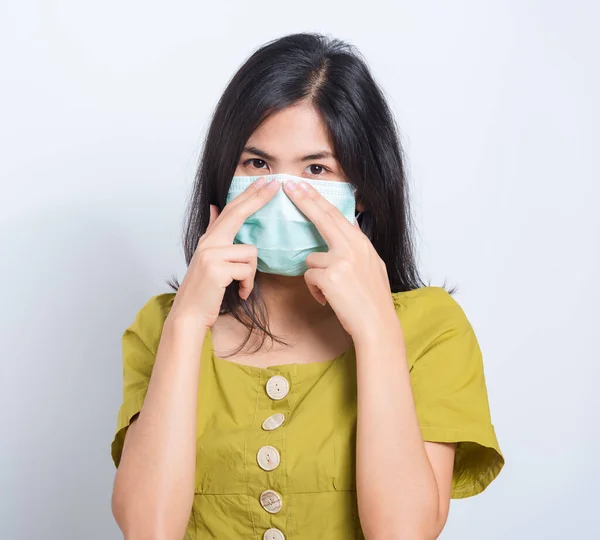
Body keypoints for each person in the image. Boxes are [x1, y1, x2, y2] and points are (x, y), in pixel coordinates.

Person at [110, 32, 505, 540]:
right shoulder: (161, 325)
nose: (281, 194)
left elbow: (405, 533)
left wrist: (377, 330)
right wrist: (188, 321)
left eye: (316, 169)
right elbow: (148, 531)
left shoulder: (431, 330)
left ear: (361, 193)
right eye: (257, 164)